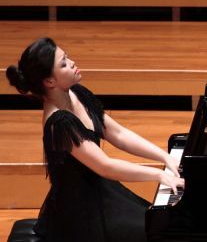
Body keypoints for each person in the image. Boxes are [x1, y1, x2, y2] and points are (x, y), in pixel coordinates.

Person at [6, 37, 184, 242]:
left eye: (68, 57)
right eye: (63, 63)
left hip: (101, 192)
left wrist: (165, 156)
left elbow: (117, 133)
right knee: (158, 231)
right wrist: (158, 175)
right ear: (50, 81)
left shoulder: (75, 93)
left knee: (162, 225)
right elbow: (105, 166)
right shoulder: (59, 123)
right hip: (81, 214)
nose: (72, 62)